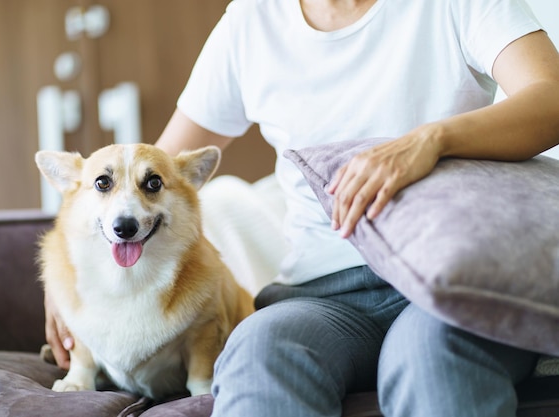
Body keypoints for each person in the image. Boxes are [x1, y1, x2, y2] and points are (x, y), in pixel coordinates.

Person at [45, 0, 559, 415]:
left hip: (446, 279)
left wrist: (432, 140)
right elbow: (153, 181)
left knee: (431, 361)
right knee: (259, 352)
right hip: (321, 297)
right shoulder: (251, 21)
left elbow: (552, 97)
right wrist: (71, 278)